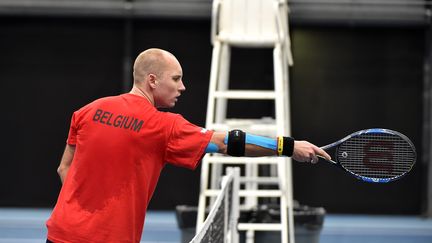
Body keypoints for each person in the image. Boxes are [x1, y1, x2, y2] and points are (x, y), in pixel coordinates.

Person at [46, 48, 331, 243]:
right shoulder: (163, 125)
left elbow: (64, 167)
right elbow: (229, 142)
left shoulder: (87, 111)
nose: (182, 87)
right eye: (176, 78)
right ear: (152, 80)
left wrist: (85, 209)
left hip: (60, 232)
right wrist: (288, 147)